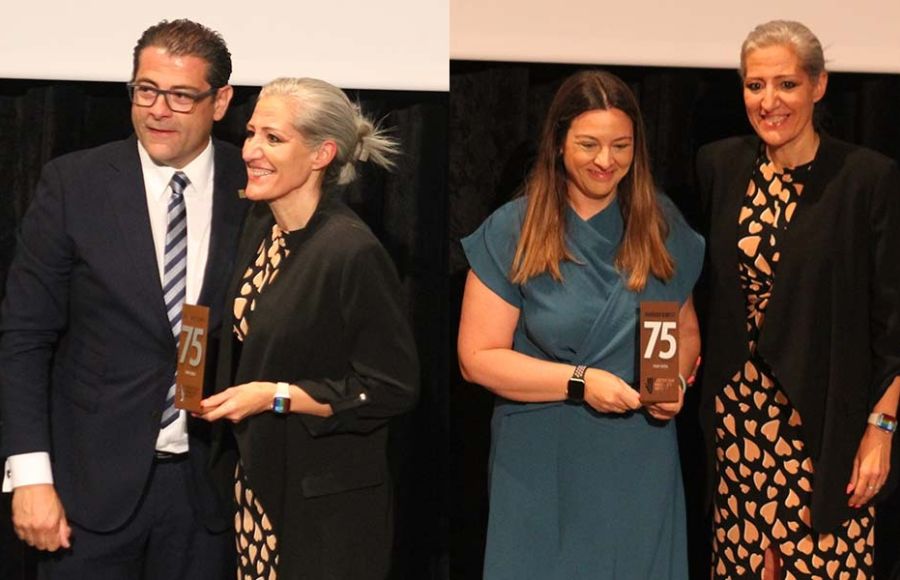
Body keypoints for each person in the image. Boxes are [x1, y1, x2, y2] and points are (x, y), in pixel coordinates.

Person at [0, 19, 247, 578]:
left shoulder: (254, 183)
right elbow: (24, 338)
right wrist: (30, 476)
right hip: (87, 492)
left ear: (220, 101)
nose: (158, 110)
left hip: (208, 492)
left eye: (181, 95)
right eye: (145, 90)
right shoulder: (74, 183)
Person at [457, 70, 704, 579]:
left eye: (621, 145)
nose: (605, 160)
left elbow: (683, 328)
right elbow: (476, 358)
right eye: (589, 144)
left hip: (639, 458)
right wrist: (580, 382)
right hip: (542, 462)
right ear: (559, 143)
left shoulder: (660, 223)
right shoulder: (513, 229)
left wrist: (674, 381)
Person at [697, 20, 900, 579]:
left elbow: (893, 321)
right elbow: (692, 284)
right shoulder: (719, 165)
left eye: (786, 84)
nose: (769, 101)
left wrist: (880, 432)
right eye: (755, 85)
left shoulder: (867, 178)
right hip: (737, 419)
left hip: (824, 421)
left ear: (819, 85)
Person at [197, 77, 419, 580]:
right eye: (252, 133)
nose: (251, 149)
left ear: (322, 154)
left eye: (273, 138)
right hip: (256, 491)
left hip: (324, 518)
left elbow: (393, 388)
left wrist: (276, 395)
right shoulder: (261, 227)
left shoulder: (350, 250)